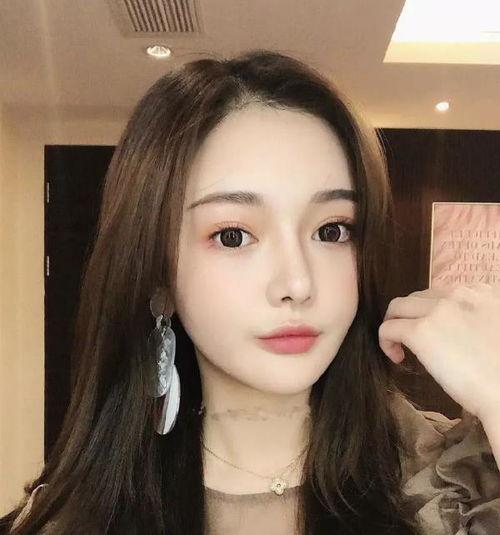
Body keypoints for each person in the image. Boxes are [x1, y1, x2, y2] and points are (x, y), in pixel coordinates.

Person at [2, 49, 500, 535]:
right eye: (233, 236)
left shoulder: (453, 490)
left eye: (331, 231)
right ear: (158, 274)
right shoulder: (76, 517)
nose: (298, 284)